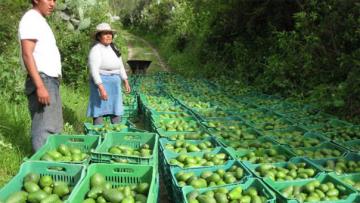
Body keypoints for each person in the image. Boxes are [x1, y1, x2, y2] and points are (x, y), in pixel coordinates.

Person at [18, 0, 63, 151]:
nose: (52, 4)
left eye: (54, 0)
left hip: (50, 80)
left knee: (54, 128)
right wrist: (40, 86)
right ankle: (42, 168)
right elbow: (27, 54)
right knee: (44, 128)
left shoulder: (39, 21)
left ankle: (52, 168)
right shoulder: (31, 18)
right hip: (43, 80)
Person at [87, 23, 131, 125]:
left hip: (114, 82)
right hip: (101, 82)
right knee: (98, 109)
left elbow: (120, 64)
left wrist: (125, 80)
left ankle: (116, 131)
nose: (108, 36)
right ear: (98, 36)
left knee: (116, 107)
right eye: (105, 34)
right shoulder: (96, 49)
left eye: (110, 34)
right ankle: (98, 132)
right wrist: (101, 88)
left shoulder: (114, 47)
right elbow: (94, 70)